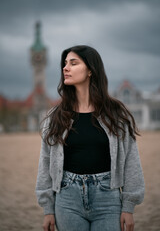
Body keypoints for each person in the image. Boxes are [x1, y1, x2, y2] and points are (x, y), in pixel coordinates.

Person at [36, 45, 145, 231]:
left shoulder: (116, 114)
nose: (65, 68)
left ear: (90, 71)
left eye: (73, 63)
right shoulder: (56, 116)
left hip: (108, 199)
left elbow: (131, 161)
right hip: (67, 199)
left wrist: (128, 206)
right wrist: (48, 209)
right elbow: (46, 162)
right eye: (64, 63)